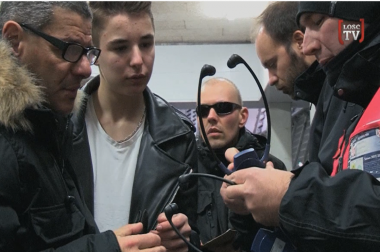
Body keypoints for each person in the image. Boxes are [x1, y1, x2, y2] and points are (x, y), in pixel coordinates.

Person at [0, 2, 165, 252]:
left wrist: (107, 242)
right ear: (14, 41)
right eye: (69, 49)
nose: (86, 69)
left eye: (87, 52)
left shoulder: (48, 130)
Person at [221, 2, 380, 251]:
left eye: (317, 22)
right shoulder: (336, 94)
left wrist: (286, 194)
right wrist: (267, 191)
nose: (308, 45)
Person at [69, 2, 199, 252]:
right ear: (93, 55)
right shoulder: (60, 129)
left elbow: (194, 229)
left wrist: (183, 236)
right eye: (120, 47)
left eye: (146, 44)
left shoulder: (179, 138)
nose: (138, 60)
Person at [255, 1, 363, 174]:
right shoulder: (327, 97)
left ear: (299, 42)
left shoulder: (350, 93)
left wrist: (284, 189)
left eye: (273, 64)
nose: (271, 79)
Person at [196, 77, 286, 252]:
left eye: (223, 108)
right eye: (203, 110)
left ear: (242, 116)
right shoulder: (186, 170)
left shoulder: (270, 168)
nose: (212, 117)